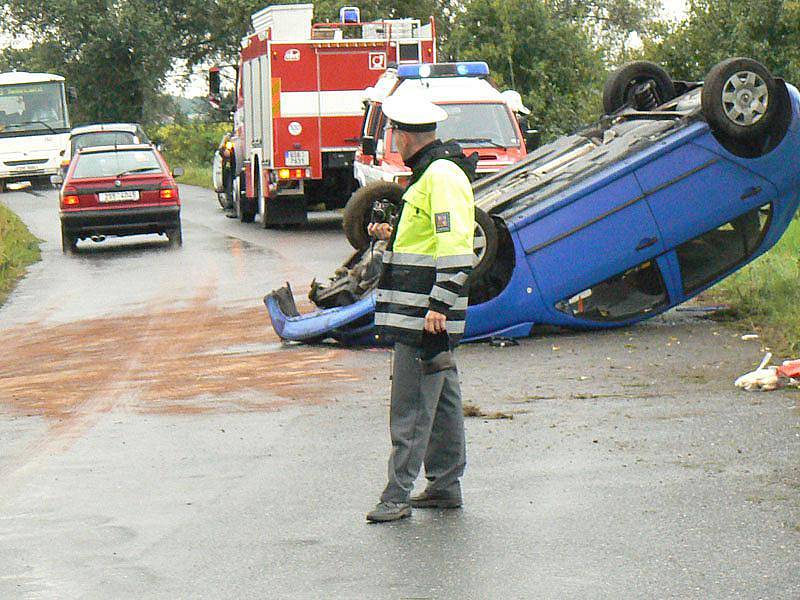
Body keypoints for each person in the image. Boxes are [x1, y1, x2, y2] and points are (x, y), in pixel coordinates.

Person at [365, 94, 477, 523]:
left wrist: (440, 305)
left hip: (425, 316)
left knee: (410, 405)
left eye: (394, 132)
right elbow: (427, 238)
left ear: (406, 136)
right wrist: (390, 232)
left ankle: (395, 496)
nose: (393, 139)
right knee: (443, 400)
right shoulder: (428, 174)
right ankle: (445, 485)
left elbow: (455, 246)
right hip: (422, 311)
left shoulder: (441, 176)